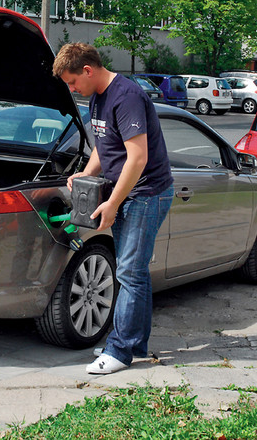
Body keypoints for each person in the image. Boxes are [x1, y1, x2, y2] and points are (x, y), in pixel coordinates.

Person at [53, 43, 173, 375]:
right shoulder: (96, 97)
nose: (72, 89)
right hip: (129, 192)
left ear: (88, 70)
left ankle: (119, 351)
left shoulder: (126, 96)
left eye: (73, 82)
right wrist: (87, 173)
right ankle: (134, 344)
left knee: (129, 272)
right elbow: (104, 145)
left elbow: (138, 158)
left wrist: (113, 203)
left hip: (147, 193)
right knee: (134, 271)